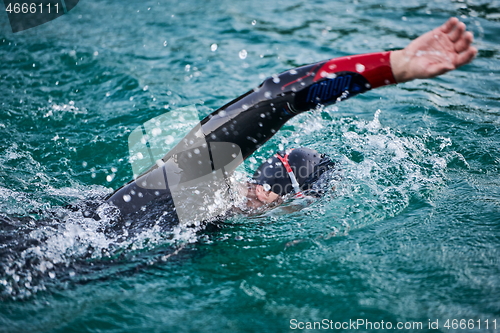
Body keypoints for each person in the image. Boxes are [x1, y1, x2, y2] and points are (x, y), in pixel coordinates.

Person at [106, 17, 476, 224]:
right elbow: (278, 96)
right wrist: (393, 67)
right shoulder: (192, 180)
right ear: (280, 197)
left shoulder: (193, 198)